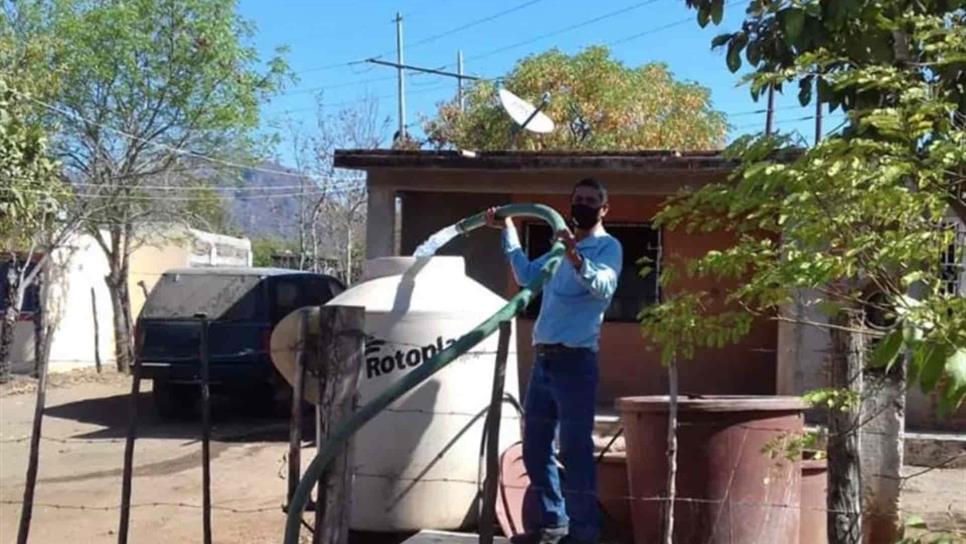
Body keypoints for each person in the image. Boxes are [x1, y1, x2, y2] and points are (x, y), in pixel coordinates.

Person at [486, 177, 622, 544]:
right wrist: (510, 230)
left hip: (576, 363)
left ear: (603, 209)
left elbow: (604, 287)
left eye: (591, 200)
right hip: (544, 361)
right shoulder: (562, 247)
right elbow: (528, 276)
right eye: (578, 199)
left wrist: (576, 257)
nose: (583, 205)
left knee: (574, 449)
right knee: (535, 446)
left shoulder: (608, 247)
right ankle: (551, 524)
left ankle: (583, 533)